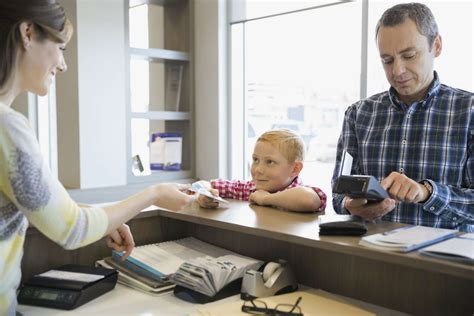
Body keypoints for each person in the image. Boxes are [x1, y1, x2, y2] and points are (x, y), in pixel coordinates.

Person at [0, 1, 193, 313]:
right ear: (27, 33)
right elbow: (72, 230)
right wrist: (153, 193)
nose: (62, 64)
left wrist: (105, 218)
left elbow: (30, 206)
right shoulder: (7, 127)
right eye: (60, 47)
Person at [332, 3, 473, 231]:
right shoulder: (358, 115)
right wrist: (351, 205)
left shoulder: (469, 112)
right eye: (387, 60)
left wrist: (427, 192)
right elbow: (339, 194)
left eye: (409, 55)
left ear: (436, 46)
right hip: (370, 256)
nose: (397, 71)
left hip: (444, 264)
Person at [198, 129, 327, 212]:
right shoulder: (250, 189)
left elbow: (309, 200)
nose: (258, 170)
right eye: (255, 160)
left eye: (270, 162)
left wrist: (266, 199)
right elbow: (205, 184)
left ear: (295, 168)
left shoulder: (297, 192)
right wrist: (205, 194)